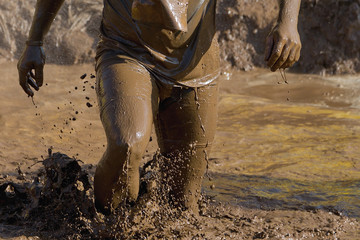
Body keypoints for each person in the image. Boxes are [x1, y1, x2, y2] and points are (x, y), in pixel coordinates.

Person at [17, 0, 301, 214]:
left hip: (197, 67)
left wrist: (288, 22)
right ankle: (107, 226)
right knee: (127, 144)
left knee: (182, 207)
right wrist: (34, 41)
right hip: (126, 51)